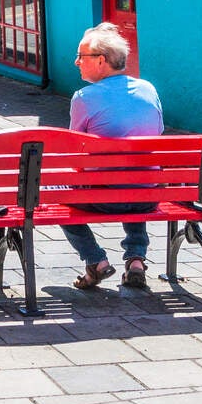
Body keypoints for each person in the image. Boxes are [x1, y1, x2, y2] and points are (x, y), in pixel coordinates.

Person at [65, 22, 164, 291]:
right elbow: (157, 133)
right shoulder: (148, 89)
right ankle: (135, 259)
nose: (76, 62)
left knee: (55, 190)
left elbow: (76, 151)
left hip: (104, 200)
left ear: (101, 61)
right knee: (136, 177)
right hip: (146, 198)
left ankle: (96, 260)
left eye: (81, 56)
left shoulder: (83, 98)